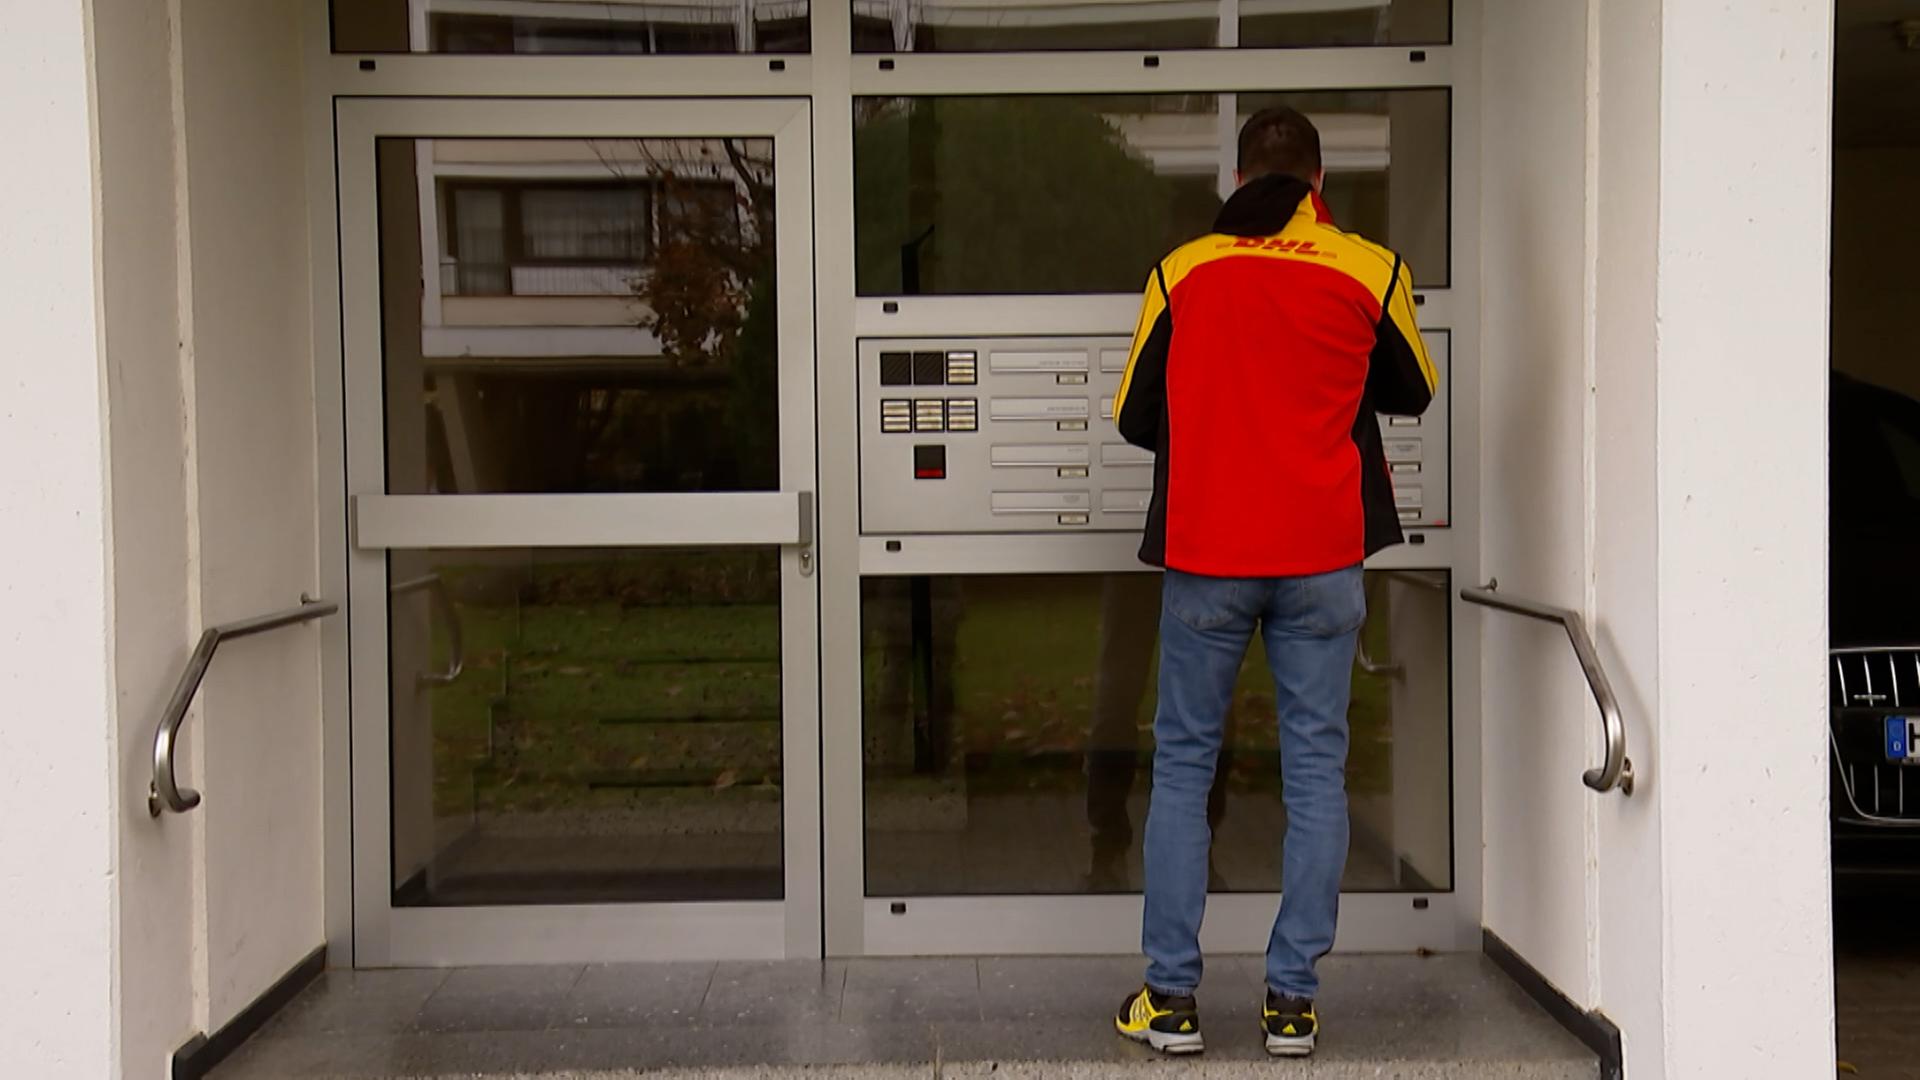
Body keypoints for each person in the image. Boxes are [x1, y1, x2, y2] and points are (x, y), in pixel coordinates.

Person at [1108, 106, 1436, 1058]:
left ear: (1238, 177)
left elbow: (1133, 412)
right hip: (1321, 557)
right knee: (1316, 773)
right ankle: (1292, 1002)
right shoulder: (1370, 268)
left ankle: (1170, 999)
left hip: (1208, 555)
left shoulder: (1183, 271)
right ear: (1317, 182)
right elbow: (1413, 388)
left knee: (1183, 766)